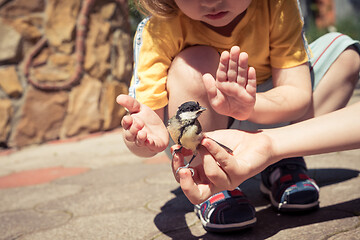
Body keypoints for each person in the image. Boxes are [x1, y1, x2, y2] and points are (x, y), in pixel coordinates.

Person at [117, 0, 360, 232]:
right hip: (201, 131)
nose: (211, 2)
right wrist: (141, 140)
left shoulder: (277, 5)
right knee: (194, 63)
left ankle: (284, 159)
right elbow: (150, 124)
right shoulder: (160, 26)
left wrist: (250, 106)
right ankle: (209, 180)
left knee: (345, 55)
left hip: (271, 111)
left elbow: (297, 94)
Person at [172, 101, 360, 205]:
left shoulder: (195, 128)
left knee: (202, 150)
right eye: (195, 111)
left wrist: (268, 144)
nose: (199, 113)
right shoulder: (173, 124)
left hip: (205, 145)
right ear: (183, 113)